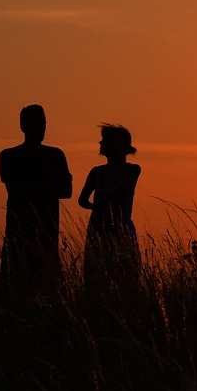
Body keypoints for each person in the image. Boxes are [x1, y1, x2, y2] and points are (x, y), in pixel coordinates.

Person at [0, 104, 72, 295]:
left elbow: (66, 190)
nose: (40, 128)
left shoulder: (56, 155)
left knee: (47, 290)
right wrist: (47, 184)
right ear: (22, 126)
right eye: (35, 123)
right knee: (14, 288)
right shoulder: (9, 155)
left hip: (47, 235)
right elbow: (15, 186)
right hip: (18, 233)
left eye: (43, 123)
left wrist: (33, 184)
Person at [78, 123, 142, 289]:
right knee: (94, 285)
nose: (100, 144)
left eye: (105, 141)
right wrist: (98, 209)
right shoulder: (96, 172)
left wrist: (120, 157)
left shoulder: (133, 170)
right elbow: (82, 200)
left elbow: (127, 185)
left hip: (122, 236)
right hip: (97, 234)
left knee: (126, 283)